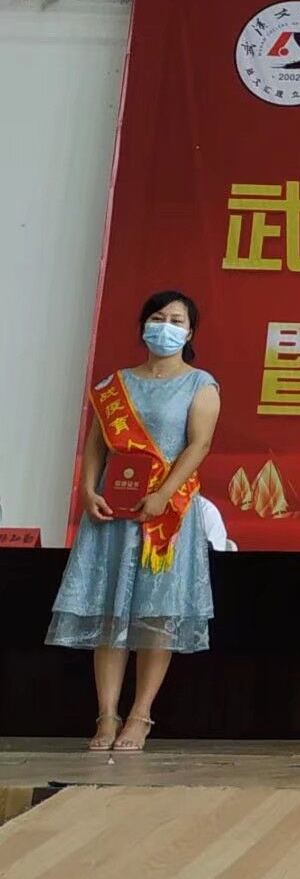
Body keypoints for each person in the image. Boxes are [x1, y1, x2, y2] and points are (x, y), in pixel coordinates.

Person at [49, 290, 222, 753]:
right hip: (114, 511)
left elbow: (199, 445)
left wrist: (163, 494)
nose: (165, 326)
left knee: (155, 613)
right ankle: (106, 714)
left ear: (190, 332)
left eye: (177, 320)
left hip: (166, 514)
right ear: (143, 325)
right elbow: (96, 444)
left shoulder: (200, 384)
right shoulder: (115, 385)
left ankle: (141, 714)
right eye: (158, 317)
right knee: (110, 612)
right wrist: (88, 490)